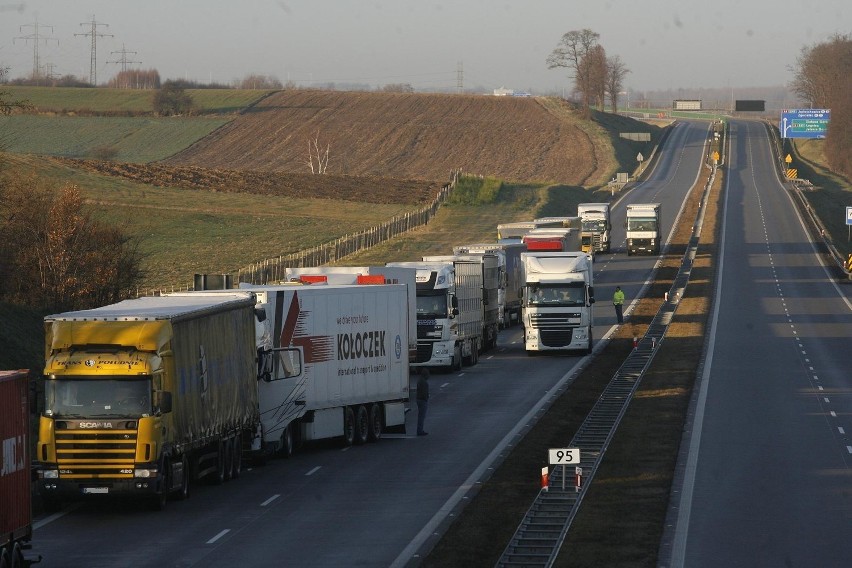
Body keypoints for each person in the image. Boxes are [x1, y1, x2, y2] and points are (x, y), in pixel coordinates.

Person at [416, 368, 430, 436]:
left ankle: (419, 430)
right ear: (426, 375)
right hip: (422, 400)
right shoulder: (424, 382)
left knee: (420, 416)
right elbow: (424, 393)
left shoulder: (420, 380)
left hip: (418, 399)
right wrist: (426, 398)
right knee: (422, 416)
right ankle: (420, 430)